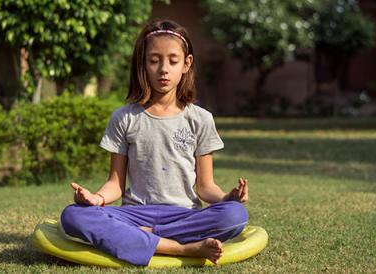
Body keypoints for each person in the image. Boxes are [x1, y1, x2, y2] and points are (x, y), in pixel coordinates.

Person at [60, 19, 249, 266]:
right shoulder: (124, 117)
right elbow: (115, 185)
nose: (163, 69)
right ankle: (183, 248)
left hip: (184, 215)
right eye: (154, 60)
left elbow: (205, 187)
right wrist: (96, 199)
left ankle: (142, 238)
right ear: (143, 64)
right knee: (73, 216)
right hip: (134, 214)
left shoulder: (201, 119)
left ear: (186, 64)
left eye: (173, 60)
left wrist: (227, 198)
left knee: (235, 216)